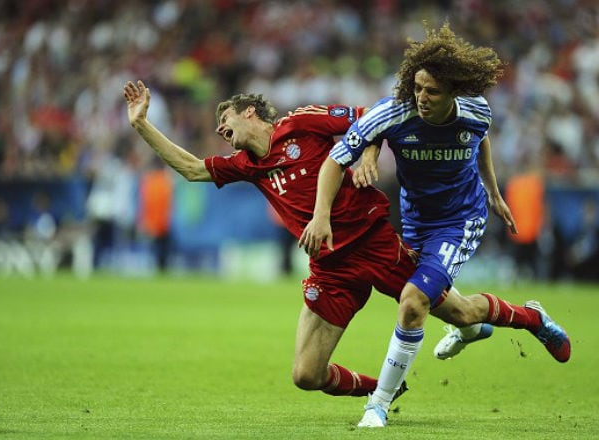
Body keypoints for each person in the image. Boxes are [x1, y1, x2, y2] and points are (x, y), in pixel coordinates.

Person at [124, 79, 540, 423]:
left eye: (225, 119)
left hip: (375, 244)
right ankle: (383, 388)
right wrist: (142, 124)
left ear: (249, 112)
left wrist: (369, 155)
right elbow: (193, 168)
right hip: (330, 268)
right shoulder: (246, 165)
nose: (220, 130)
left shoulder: (302, 122)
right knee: (306, 375)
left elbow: (374, 119)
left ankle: (531, 317)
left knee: (461, 312)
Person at [299, 22, 571, 428]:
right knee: (458, 313)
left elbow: (481, 140)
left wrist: (493, 193)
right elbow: (335, 159)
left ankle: (378, 405)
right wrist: (324, 211)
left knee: (412, 303)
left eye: (433, 92)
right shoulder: (395, 110)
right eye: (418, 88)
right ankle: (531, 319)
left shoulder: (477, 110)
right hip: (414, 223)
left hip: (460, 220)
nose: (422, 98)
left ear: (455, 93)